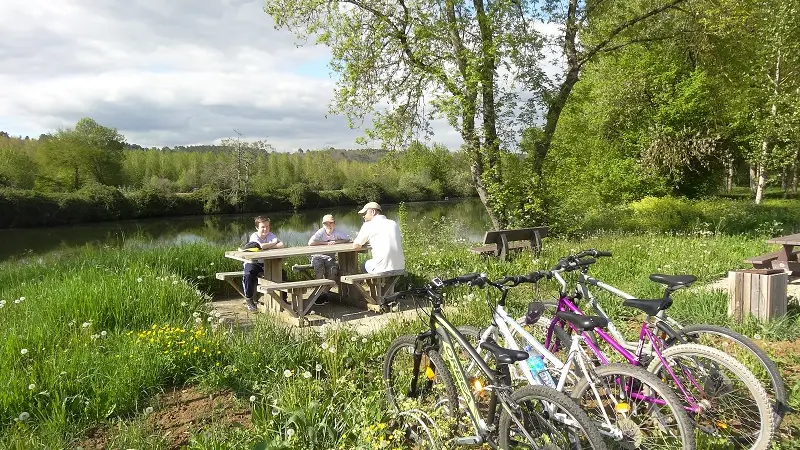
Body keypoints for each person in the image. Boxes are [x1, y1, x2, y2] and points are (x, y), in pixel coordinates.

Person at [242, 216, 284, 311]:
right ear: (257, 228)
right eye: (263, 227)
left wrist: (268, 246)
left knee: (282, 273)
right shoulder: (254, 236)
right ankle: (249, 299)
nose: (265, 229)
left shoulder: (271, 235)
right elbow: (260, 246)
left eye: (267, 226)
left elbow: (282, 245)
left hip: (267, 262)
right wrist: (274, 244)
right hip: (253, 262)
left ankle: (282, 300)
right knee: (248, 275)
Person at [353, 202, 405, 273]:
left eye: (365, 213)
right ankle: (380, 284)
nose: (363, 216)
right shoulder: (393, 223)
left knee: (363, 265)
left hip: (382, 269)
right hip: (400, 267)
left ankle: (372, 284)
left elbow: (356, 246)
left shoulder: (369, 225)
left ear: (373, 212)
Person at [308, 214, 351, 281]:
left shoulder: (337, 232)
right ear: (323, 225)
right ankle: (318, 290)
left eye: (331, 223)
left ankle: (324, 290)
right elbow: (310, 243)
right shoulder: (320, 232)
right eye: (326, 223)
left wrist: (335, 242)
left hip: (330, 257)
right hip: (317, 256)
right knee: (320, 272)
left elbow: (347, 239)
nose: (329, 225)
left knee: (333, 271)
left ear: (334, 223)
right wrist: (326, 243)